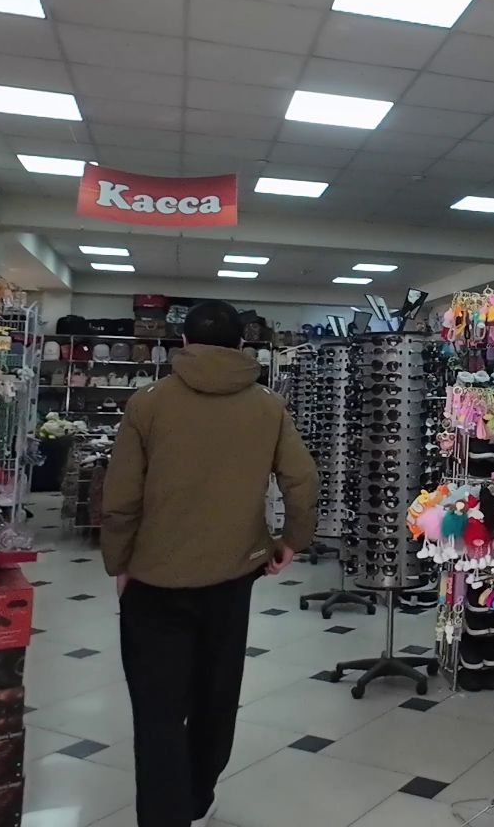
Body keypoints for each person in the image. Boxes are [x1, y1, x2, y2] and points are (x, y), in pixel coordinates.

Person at [100, 300, 315, 824]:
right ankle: (198, 795)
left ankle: (163, 815)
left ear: (184, 343)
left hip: (154, 580)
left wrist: (119, 562)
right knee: (216, 697)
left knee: (157, 709)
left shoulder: (148, 402)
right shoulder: (267, 405)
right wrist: (293, 540)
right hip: (231, 576)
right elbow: (302, 479)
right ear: (243, 345)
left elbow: (121, 497)